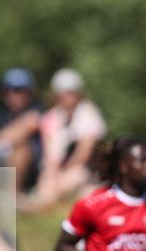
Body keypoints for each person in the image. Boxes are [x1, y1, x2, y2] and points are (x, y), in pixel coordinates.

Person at [22, 68, 106, 212]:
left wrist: (60, 177)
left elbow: (83, 154)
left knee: (76, 177)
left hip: (86, 172)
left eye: (72, 92)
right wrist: (51, 176)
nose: (69, 97)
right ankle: (42, 202)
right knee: (48, 182)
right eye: (65, 92)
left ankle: (39, 204)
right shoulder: (51, 118)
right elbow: (51, 156)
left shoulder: (89, 114)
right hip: (60, 171)